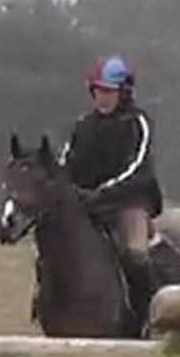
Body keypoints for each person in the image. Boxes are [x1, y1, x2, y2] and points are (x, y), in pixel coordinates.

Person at [59, 55, 163, 330]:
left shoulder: (138, 122)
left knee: (135, 255)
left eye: (108, 92)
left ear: (124, 93)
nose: (102, 98)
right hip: (87, 203)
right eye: (97, 91)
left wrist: (103, 193)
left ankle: (149, 317)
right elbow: (67, 165)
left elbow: (136, 167)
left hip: (130, 202)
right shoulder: (82, 126)